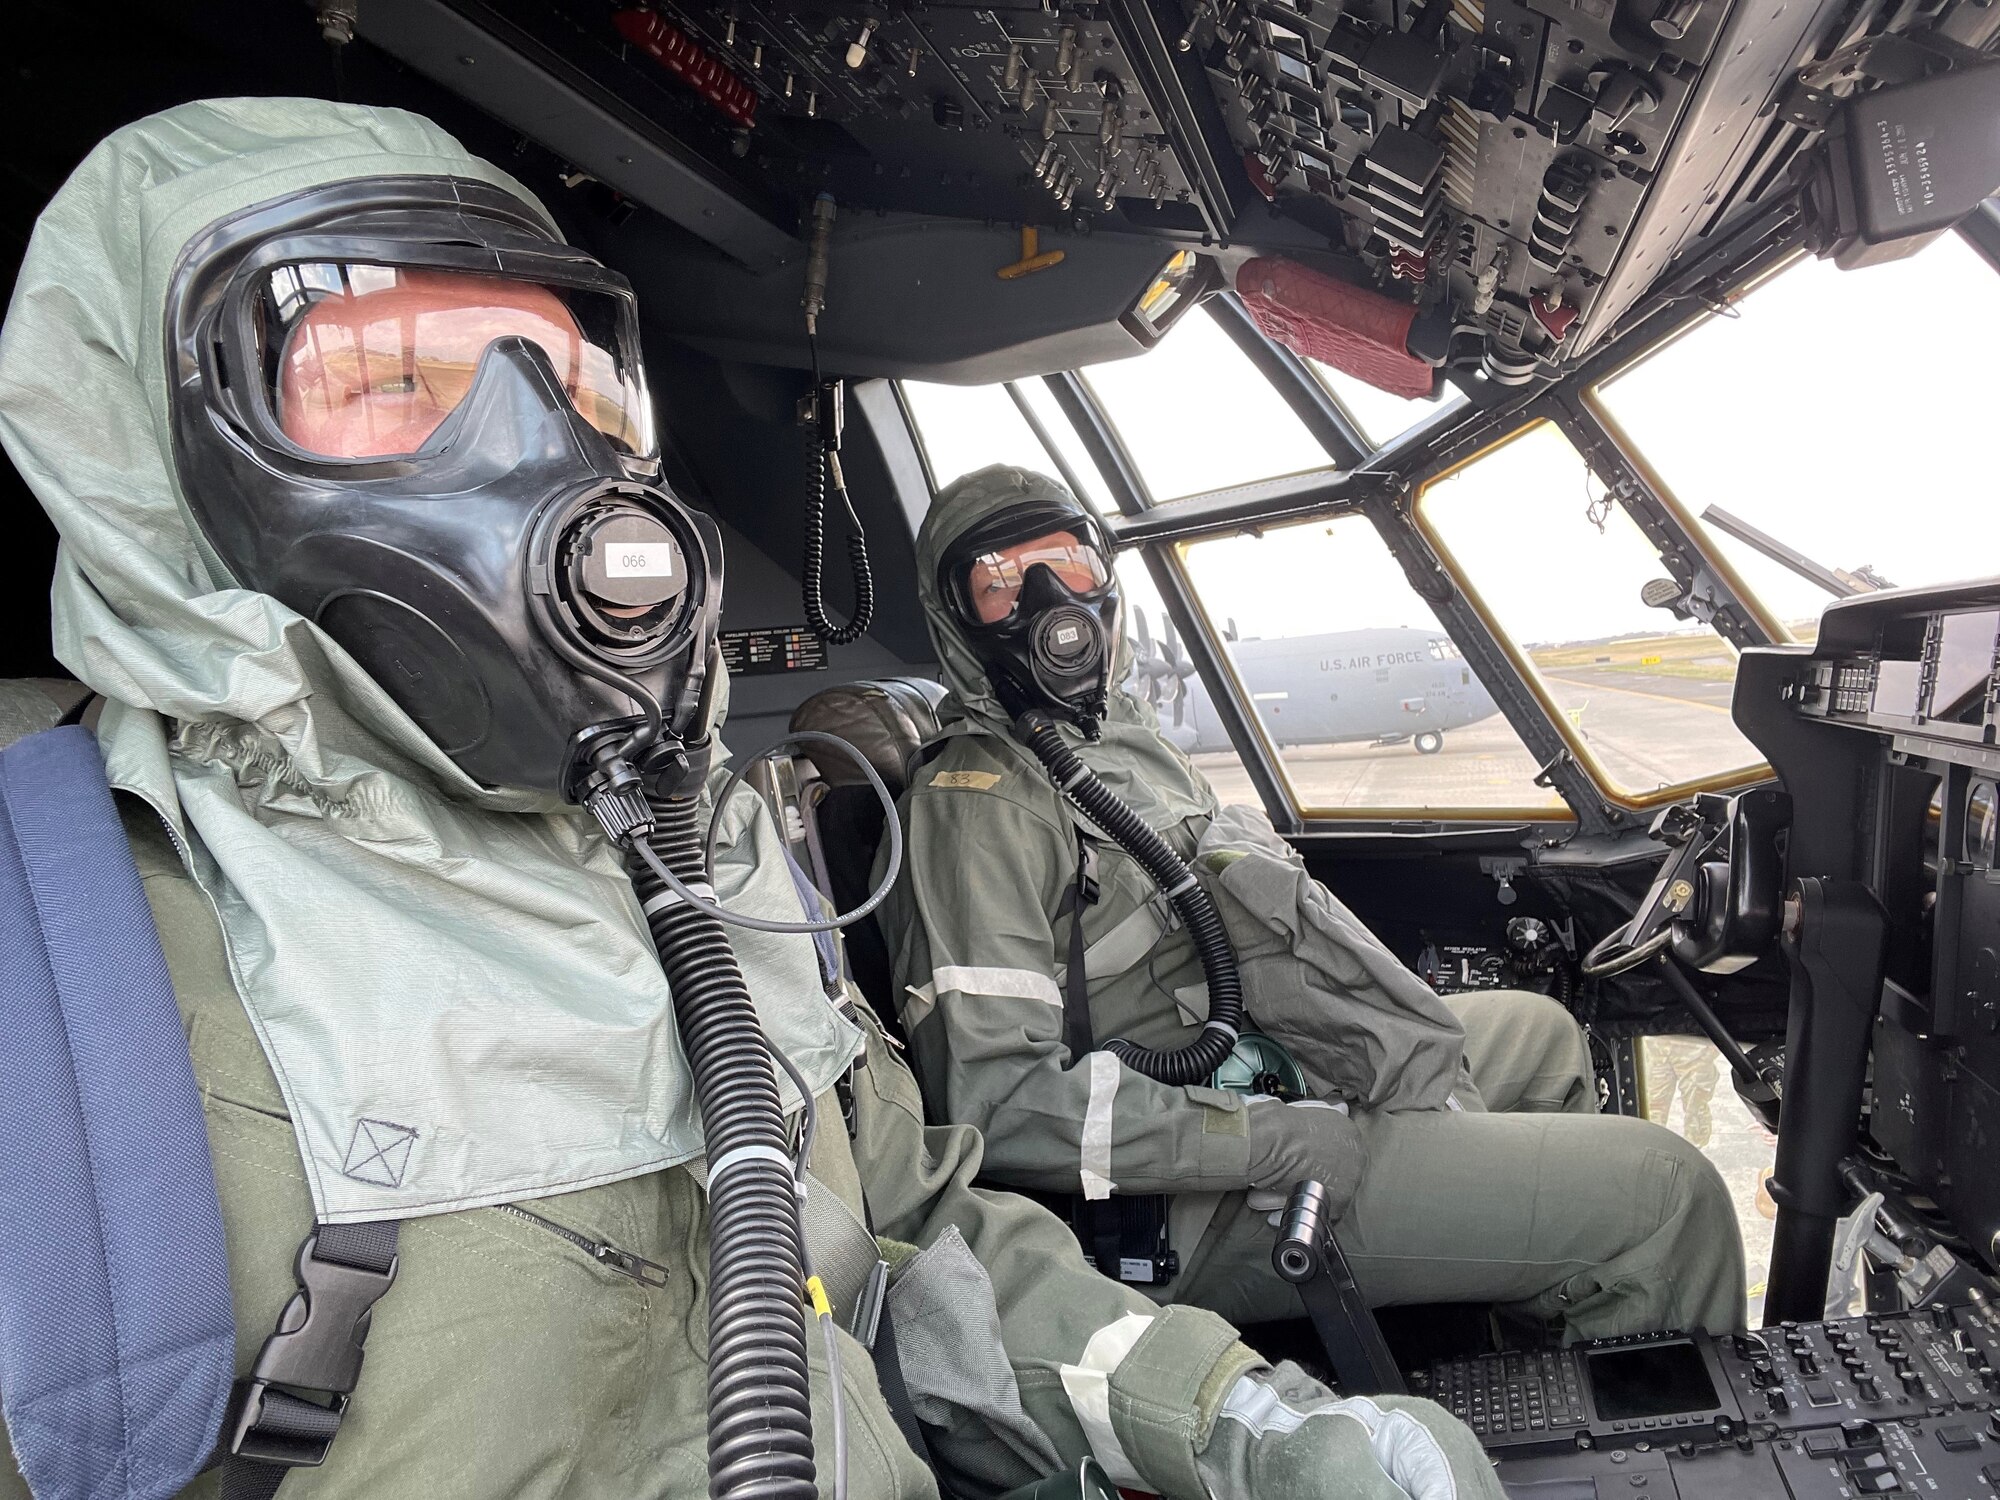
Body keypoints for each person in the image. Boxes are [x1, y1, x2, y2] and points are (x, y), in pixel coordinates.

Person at [0, 99, 1507, 1500]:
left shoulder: (703, 852)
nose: (539, 455)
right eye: (395, 377)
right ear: (168, 450)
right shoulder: (53, 963)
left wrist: (1241, 1420)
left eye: (576, 384)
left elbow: (907, 1244)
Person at [874, 463, 1747, 1341]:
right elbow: (999, 1104)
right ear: (958, 623)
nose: (1048, 603)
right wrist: (1260, 1141)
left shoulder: (1117, 745)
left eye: (1069, 563)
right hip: (1184, 1203)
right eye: (998, 583)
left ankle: (1512, 1336)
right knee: (1671, 1197)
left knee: (1544, 1038)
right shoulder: (974, 808)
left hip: (1259, 1070)